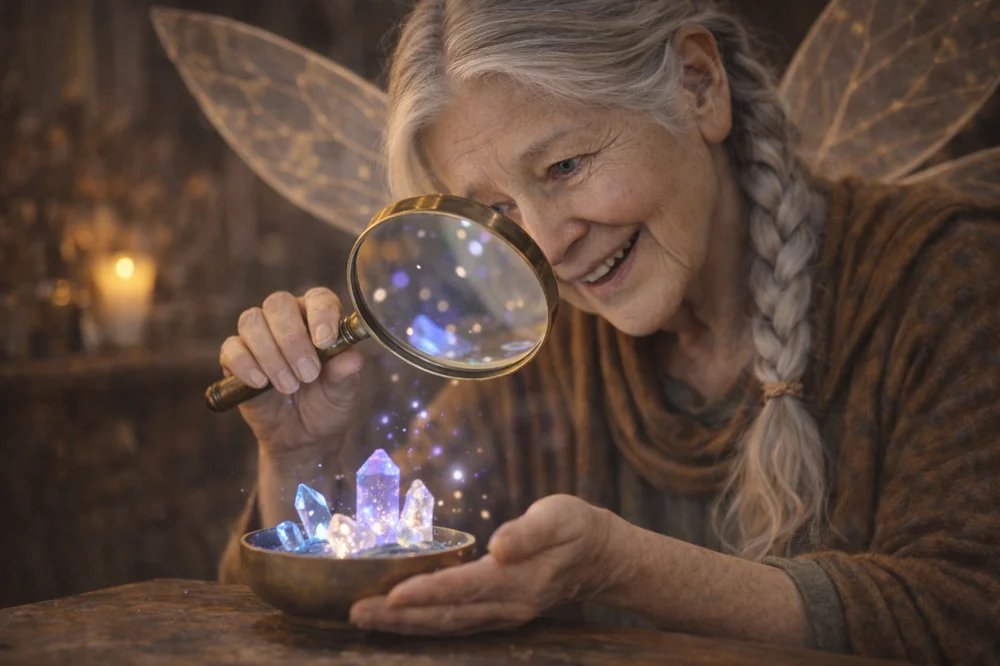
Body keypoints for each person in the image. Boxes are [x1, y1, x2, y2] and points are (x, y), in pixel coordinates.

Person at [217, 0, 1000, 661]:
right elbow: (352, 599)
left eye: (566, 168)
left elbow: (968, 613)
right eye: (499, 211)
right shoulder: (538, 350)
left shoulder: (948, 275)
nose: (549, 246)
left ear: (698, 85)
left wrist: (625, 570)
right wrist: (300, 455)